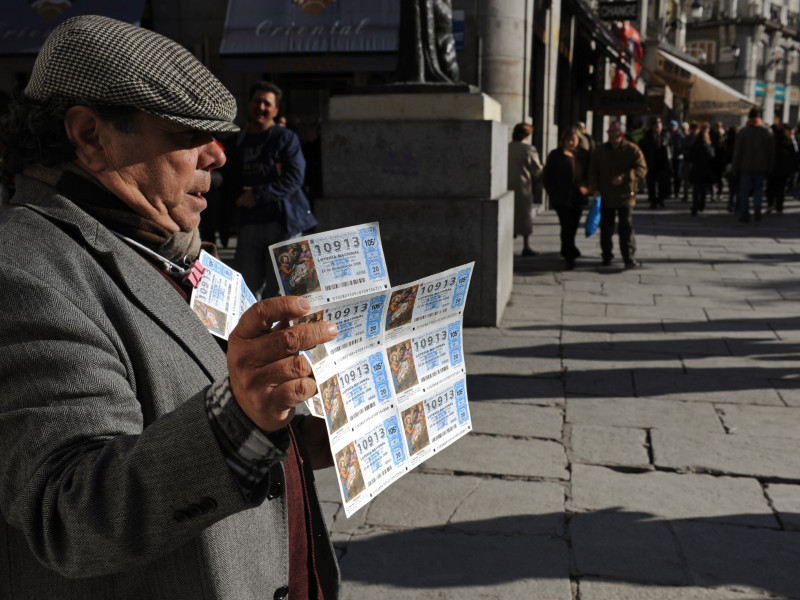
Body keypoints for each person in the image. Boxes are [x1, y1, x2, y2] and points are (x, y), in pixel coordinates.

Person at [0, 15, 341, 600]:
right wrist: (238, 421)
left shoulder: (171, 249)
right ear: (89, 136)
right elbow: (70, 511)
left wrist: (280, 431)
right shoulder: (26, 272)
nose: (219, 154)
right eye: (189, 134)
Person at [226, 82, 317, 299]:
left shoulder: (286, 139)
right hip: (249, 226)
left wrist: (257, 195)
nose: (261, 107)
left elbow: (295, 178)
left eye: (267, 103)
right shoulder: (238, 140)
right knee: (247, 290)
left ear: (275, 111)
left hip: (284, 225)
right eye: (257, 101)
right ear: (249, 104)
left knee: (286, 291)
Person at [588, 120, 647, 269]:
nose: (611, 135)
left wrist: (625, 177)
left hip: (625, 196)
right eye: (609, 132)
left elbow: (642, 169)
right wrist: (594, 188)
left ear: (622, 133)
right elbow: (592, 171)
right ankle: (606, 255)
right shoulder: (600, 151)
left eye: (614, 132)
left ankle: (628, 258)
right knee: (606, 228)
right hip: (606, 195)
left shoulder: (632, 149)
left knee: (625, 227)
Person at [543, 127, 590, 270]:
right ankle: (570, 256)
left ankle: (568, 248)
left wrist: (587, 187)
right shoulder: (556, 155)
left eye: (573, 140)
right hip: (561, 197)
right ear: (563, 141)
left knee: (574, 226)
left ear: (579, 141)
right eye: (568, 140)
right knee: (567, 225)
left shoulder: (584, 155)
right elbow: (548, 175)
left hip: (578, 197)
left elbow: (591, 173)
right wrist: (552, 191)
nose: (570, 142)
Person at [732, 107, 775, 223]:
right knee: (758, 189)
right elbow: (771, 152)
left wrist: (735, 167)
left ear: (749, 118)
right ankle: (757, 205)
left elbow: (738, 152)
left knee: (744, 191)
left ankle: (745, 214)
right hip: (761, 167)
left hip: (745, 167)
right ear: (759, 118)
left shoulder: (743, 132)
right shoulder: (766, 132)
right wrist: (770, 166)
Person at [507, 122, 543, 256]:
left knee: (509, 215)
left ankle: (507, 244)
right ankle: (526, 245)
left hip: (506, 185)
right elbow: (536, 170)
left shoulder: (507, 147)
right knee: (525, 216)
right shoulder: (529, 149)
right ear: (527, 135)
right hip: (522, 186)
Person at [639, 116, 672, 209]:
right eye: (655, 125)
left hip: (663, 164)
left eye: (659, 124)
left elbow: (671, 147)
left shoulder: (666, 135)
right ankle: (653, 201)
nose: (657, 127)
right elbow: (643, 149)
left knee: (662, 184)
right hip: (651, 163)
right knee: (651, 184)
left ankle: (661, 200)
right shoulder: (647, 136)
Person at [766, 123, 799, 214]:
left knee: (771, 187)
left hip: (772, 168)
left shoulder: (773, 142)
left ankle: (771, 203)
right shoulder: (789, 142)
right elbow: (794, 156)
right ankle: (779, 206)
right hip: (784, 170)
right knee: (780, 189)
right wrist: (794, 168)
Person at [686, 122, 715, 216]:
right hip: (705, 171)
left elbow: (689, 158)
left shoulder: (694, 146)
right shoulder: (708, 147)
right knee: (703, 190)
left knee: (696, 190)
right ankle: (702, 205)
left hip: (696, 170)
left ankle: (695, 206)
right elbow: (712, 157)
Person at [668, 120, 685, 202]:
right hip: (671, 158)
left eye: (673, 126)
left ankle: (676, 191)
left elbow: (683, 146)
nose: (672, 128)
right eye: (671, 126)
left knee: (677, 176)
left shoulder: (680, 135)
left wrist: (680, 153)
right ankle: (669, 191)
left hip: (678, 158)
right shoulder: (668, 135)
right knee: (670, 175)